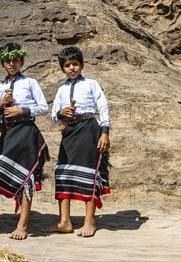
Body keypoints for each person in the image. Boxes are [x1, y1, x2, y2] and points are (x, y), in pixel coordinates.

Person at [0, 43, 50, 240]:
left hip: (27, 131)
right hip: (8, 134)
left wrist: (23, 110)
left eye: (16, 60)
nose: (12, 64)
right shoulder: (0, 87)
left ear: (22, 62)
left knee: (26, 178)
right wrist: (1, 106)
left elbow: (43, 107)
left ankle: (23, 225)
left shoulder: (30, 83)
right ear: (3, 63)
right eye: (8, 61)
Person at [45, 46, 111, 237]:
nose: (72, 68)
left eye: (75, 64)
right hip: (69, 134)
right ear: (63, 68)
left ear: (81, 65)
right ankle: (65, 221)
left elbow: (103, 107)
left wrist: (104, 132)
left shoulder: (91, 84)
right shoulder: (61, 90)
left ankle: (90, 221)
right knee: (63, 174)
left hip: (89, 130)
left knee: (89, 174)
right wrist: (61, 113)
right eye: (67, 65)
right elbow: (53, 116)